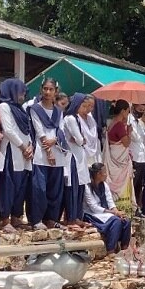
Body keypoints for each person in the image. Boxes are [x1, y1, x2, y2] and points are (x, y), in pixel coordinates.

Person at [0, 78, 35, 231]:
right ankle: (5, 219)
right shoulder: (4, 106)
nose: (22, 95)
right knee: (9, 186)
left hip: (24, 152)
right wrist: (23, 146)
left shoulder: (21, 109)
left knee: (21, 186)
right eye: (20, 92)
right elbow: (8, 130)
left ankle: (16, 217)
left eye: (24, 92)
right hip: (12, 150)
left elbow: (27, 129)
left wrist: (30, 146)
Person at [29, 79, 67, 229]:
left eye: (51, 89)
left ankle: (51, 218)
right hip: (42, 153)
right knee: (40, 189)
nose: (48, 92)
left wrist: (55, 140)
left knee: (55, 189)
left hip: (57, 151)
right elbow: (39, 131)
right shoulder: (35, 109)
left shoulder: (58, 111)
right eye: (45, 89)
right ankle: (37, 219)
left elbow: (61, 129)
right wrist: (49, 151)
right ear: (41, 89)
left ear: (55, 91)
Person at [62, 93, 98, 225]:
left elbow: (82, 140)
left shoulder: (79, 119)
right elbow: (79, 139)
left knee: (80, 187)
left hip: (80, 157)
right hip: (72, 158)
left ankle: (77, 216)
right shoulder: (71, 118)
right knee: (73, 188)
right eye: (83, 105)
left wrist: (81, 140)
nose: (85, 109)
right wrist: (81, 139)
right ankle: (71, 218)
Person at [83, 162, 132, 254]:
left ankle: (125, 249)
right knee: (116, 221)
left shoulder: (104, 185)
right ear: (98, 174)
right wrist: (114, 213)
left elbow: (110, 201)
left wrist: (116, 211)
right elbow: (94, 207)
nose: (106, 174)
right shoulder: (87, 187)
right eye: (104, 172)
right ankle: (111, 250)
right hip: (92, 214)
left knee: (126, 220)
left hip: (106, 213)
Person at [103, 100, 136, 215]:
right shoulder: (119, 125)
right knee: (121, 184)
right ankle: (123, 211)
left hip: (114, 158)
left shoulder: (111, 122)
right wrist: (130, 132)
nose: (128, 113)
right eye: (127, 111)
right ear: (123, 111)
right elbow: (126, 143)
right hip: (120, 162)